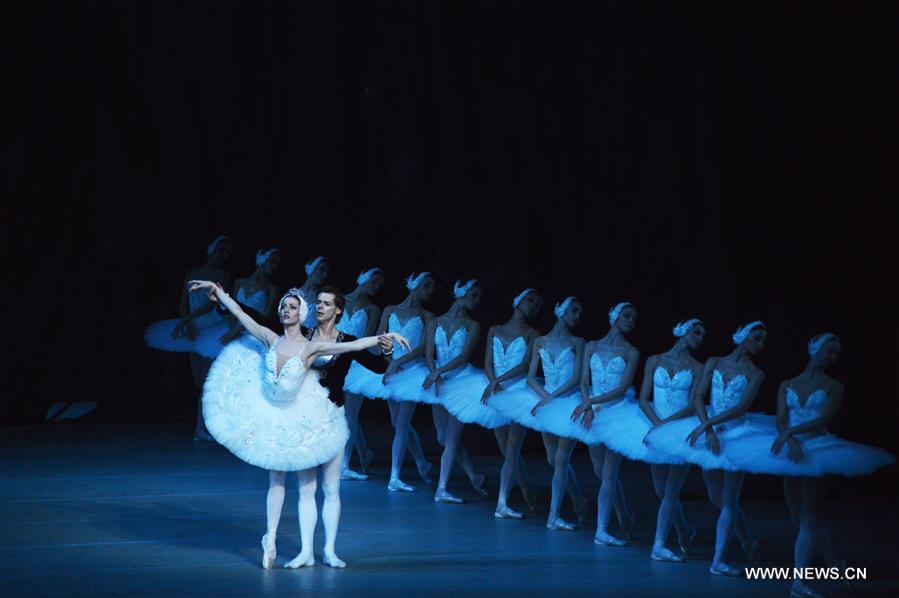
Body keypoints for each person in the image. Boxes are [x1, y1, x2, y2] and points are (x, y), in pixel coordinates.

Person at [191, 280, 410, 569]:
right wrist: (222, 295)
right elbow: (252, 318)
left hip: (331, 415)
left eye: (326, 303)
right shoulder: (302, 334)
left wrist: (386, 345)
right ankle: (306, 552)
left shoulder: (341, 338)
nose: (320, 306)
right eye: (317, 302)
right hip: (301, 417)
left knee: (331, 488)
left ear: (338, 310)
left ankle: (329, 551)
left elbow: (371, 359)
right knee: (306, 488)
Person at [646, 321, 769, 575]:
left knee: (730, 499)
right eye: (756, 338)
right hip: (709, 432)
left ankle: (718, 560)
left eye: (763, 341)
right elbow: (698, 398)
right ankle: (747, 540)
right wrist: (708, 429)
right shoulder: (714, 362)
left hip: (737, 434)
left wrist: (708, 425)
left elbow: (741, 407)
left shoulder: (756, 373)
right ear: (743, 336)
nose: (760, 344)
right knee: (716, 495)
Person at [592, 317, 706, 562]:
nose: (700, 338)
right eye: (697, 332)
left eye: (702, 335)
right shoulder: (655, 360)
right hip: (654, 424)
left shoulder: (698, 367)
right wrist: (657, 426)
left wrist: (666, 427)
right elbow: (644, 399)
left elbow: (693, 405)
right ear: (684, 332)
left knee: (670, 491)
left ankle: (659, 545)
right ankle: (684, 532)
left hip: (680, 428)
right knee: (660, 490)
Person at [441, 288, 542, 517]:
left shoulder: (532, 334)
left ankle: (502, 503)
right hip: (493, 386)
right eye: (530, 301)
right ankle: (527, 489)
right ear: (518, 301)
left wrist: (499, 381)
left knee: (513, 449)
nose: (534, 306)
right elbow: (487, 361)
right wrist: (492, 380)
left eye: (537, 305)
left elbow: (524, 366)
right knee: (504, 448)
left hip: (516, 390)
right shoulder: (495, 329)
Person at [489, 297, 588, 530]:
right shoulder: (541, 341)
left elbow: (576, 378)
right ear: (562, 311)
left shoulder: (578, 342)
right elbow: (532, 376)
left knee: (562, 459)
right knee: (552, 458)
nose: (578, 316)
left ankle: (554, 516)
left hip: (566, 401)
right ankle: (577, 498)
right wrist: (544, 397)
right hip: (544, 399)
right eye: (574, 310)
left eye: (580, 313)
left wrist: (550, 399)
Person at [389, 280, 487, 502]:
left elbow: (464, 357)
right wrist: (434, 374)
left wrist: (436, 374)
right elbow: (430, 354)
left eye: (478, 297)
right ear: (460, 293)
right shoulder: (436, 322)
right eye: (474, 295)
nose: (477, 300)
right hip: (439, 380)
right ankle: (474, 476)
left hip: (461, 382)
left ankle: (442, 489)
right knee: (442, 437)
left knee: (451, 440)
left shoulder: (473, 325)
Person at [144, 235, 232, 440]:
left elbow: (213, 304)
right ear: (211, 249)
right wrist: (186, 321)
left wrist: (188, 320)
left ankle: (205, 428)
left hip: (211, 329)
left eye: (227, 252)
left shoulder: (222, 275)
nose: (224, 255)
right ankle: (201, 428)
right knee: (199, 382)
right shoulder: (192, 273)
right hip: (192, 328)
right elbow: (183, 301)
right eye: (221, 249)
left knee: (208, 381)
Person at [569, 302, 640, 546]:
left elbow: (621, 389)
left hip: (617, 413)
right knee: (601, 473)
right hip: (594, 410)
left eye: (634, 318)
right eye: (627, 315)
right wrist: (588, 404)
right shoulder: (592, 346)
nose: (631, 320)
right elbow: (583, 381)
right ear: (614, 316)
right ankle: (623, 514)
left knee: (609, 474)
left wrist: (591, 404)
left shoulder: (631, 352)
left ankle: (601, 530)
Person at [336, 267, 387, 480]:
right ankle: (362, 454)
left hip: (356, 363)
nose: (376, 287)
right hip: (333, 358)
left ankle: (344, 465)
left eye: (379, 285)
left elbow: (365, 340)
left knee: (351, 415)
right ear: (363, 280)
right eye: (373, 282)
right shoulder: (338, 300)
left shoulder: (373, 309)